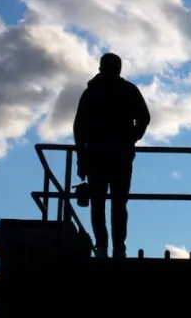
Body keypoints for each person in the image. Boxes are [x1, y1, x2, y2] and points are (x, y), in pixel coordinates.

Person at [73, 53, 151, 259]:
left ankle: (108, 247)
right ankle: (113, 247)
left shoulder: (92, 93)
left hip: (103, 157)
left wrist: (82, 158)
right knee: (114, 204)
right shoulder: (126, 91)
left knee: (107, 204)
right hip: (114, 157)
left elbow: (79, 129)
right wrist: (131, 138)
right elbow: (144, 117)